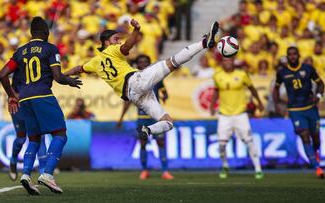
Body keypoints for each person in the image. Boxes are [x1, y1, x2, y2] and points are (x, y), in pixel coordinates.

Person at [65, 19, 219, 140]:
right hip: (135, 81)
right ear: (106, 42)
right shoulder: (112, 50)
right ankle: (204, 43)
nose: (118, 41)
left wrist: (63, 75)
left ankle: (148, 130)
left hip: (134, 96)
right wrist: (136, 30)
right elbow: (126, 48)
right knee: (172, 62)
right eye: (115, 38)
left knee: (167, 122)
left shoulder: (93, 62)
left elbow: (79, 68)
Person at [0, 16, 82, 195]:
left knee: (34, 139)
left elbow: (2, 74)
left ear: (31, 33)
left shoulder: (20, 52)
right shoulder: (50, 48)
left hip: (24, 100)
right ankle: (48, 174)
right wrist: (70, 81)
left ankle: (26, 174)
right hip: (42, 95)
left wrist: (12, 95)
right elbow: (58, 77)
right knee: (60, 134)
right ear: (46, 32)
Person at [116, 54, 173, 180]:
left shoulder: (155, 77)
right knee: (142, 143)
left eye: (146, 62)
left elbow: (165, 92)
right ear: (137, 65)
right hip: (142, 117)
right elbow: (127, 101)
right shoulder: (133, 79)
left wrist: (164, 96)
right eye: (140, 62)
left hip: (156, 116)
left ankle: (165, 171)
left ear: (149, 63)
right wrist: (121, 118)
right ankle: (144, 170)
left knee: (161, 142)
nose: (143, 64)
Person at [273, 46, 325, 179]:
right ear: (287, 56)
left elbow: (321, 84)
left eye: (294, 54)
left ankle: (315, 152)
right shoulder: (282, 72)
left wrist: (318, 96)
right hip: (295, 109)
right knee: (304, 135)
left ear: (298, 55)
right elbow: (276, 89)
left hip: (311, 107)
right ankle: (317, 167)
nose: (292, 56)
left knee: (316, 137)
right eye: (290, 54)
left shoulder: (308, 69)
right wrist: (277, 104)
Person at [210, 56, 264, 179]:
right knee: (221, 145)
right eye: (224, 60)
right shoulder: (217, 76)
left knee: (249, 141)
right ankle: (225, 166)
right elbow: (216, 91)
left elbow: (252, 88)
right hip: (224, 115)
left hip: (241, 114)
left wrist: (259, 102)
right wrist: (212, 105)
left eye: (229, 60)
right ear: (222, 63)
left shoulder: (242, 74)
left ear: (233, 62)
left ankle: (258, 168)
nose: (227, 62)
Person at [8, 59, 47, 182]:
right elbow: (12, 88)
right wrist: (14, 97)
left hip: (34, 103)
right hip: (19, 104)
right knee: (21, 139)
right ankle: (13, 161)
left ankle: (43, 172)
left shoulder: (39, 68)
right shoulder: (19, 71)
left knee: (40, 136)